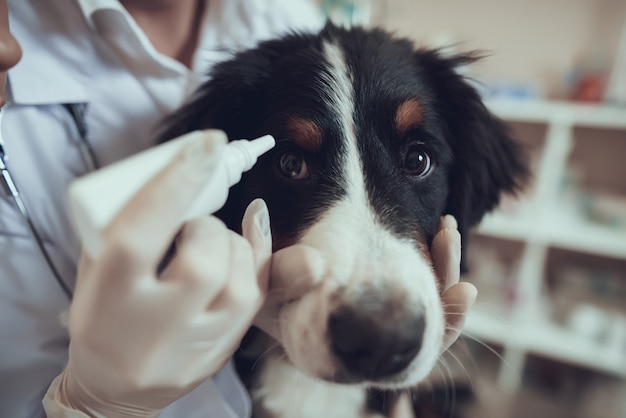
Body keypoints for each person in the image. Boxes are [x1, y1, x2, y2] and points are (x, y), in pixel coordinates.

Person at [0, 1, 477, 417]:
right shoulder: (13, 40)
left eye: (417, 160)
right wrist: (94, 407)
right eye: (291, 163)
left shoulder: (286, 16)